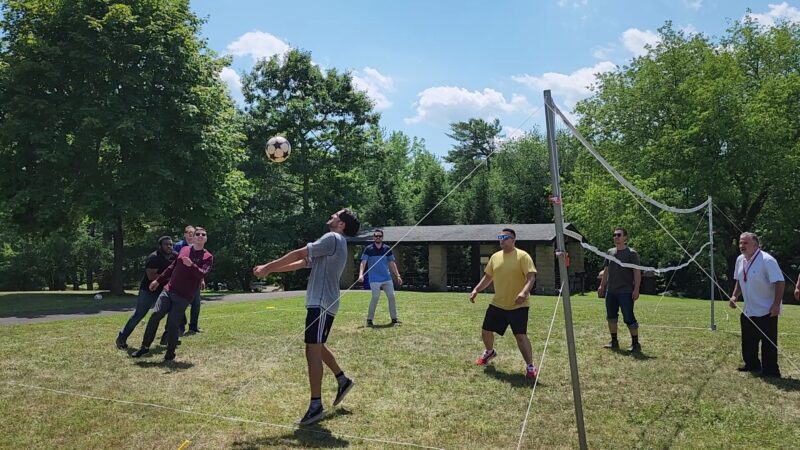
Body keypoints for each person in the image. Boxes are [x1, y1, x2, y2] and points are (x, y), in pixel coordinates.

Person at [253, 209, 360, 426]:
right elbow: (302, 263)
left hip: (321, 303)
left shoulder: (333, 238)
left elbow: (298, 253)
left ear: (342, 225)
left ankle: (316, 405)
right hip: (321, 302)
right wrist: (271, 271)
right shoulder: (333, 243)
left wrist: (266, 267)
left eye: (337, 215)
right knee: (315, 346)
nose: (331, 215)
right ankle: (342, 380)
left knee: (312, 349)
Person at [133, 227, 213, 362]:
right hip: (169, 290)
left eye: (203, 234)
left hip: (184, 295)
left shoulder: (207, 257)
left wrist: (192, 265)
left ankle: (170, 353)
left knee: (173, 324)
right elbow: (172, 267)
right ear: (192, 238)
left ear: (205, 239)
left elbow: (202, 274)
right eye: (196, 234)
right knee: (155, 315)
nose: (199, 236)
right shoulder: (184, 250)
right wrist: (158, 281)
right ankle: (144, 346)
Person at [469, 228, 539, 379]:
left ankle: (530, 367)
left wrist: (523, 293)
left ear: (513, 240)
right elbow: (488, 277)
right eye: (500, 237)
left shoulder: (523, 256)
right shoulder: (495, 257)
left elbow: (531, 277)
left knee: (520, 336)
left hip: (518, 305)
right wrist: (476, 290)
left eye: (505, 237)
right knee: (486, 331)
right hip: (498, 303)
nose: (502, 239)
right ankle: (489, 352)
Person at [729, 232, 783, 378]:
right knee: (748, 340)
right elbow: (739, 280)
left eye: (745, 243)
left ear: (755, 244)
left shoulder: (767, 260)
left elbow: (780, 281)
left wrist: (776, 304)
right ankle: (751, 365)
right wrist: (735, 295)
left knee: (768, 342)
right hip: (748, 309)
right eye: (740, 243)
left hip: (767, 309)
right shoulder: (740, 260)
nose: (742, 246)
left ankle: (771, 371)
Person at [115, 236, 176, 349]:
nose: (169, 246)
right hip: (148, 290)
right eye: (166, 244)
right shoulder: (153, 257)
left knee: (173, 312)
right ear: (160, 246)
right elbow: (151, 276)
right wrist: (170, 277)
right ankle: (121, 338)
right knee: (139, 315)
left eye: (171, 244)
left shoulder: (175, 256)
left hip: (164, 290)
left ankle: (167, 338)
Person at [597, 227, 642, 353]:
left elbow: (637, 272)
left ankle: (635, 343)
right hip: (611, 291)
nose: (616, 237)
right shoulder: (610, 252)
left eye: (619, 235)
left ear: (625, 237)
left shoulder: (631, 253)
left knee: (629, 317)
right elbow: (606, 270)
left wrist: (636, 289)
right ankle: (614, 341)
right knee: (611, 317)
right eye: (614, 235)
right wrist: (602, 285)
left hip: (626, 291)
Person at [358, 229, 402, 327]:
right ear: (373, 237)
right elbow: (363, 262)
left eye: (380, 236)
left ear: (382, 237)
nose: (378, 237)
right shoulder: (368, 249)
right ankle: (369, 320)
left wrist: (398, 275)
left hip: (387, 278)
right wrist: (361, 274)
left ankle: (394, 319)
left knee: (392, 296)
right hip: (374, 279)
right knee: (375, 297)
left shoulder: (387, 248)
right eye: (376, 236)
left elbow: (392, 263)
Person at [171, 225, 203, 335]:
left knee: (196, 303)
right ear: (184, 234)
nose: (190, 234)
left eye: (192, 232)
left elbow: (201, 265)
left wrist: (202, 279)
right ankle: (181, 326)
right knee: (180, 303)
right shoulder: (178, 246)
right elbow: (173, 263)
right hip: (180, 280)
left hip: (194, 279)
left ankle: (193, 327)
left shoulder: (198, 246)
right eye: (188, 232)